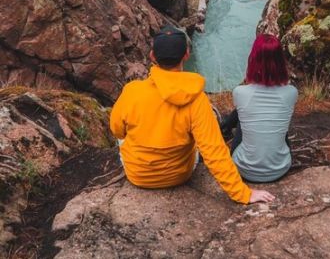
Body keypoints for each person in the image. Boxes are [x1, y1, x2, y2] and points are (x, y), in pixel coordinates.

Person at [110, 25, 274, 205]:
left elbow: (117, 130)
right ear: (186, 54)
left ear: (152, 56)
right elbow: (214, 151)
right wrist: (243, 193)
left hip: (138, 175)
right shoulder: (196, 98)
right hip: (179, 174)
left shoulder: (132, 91)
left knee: (122, 136)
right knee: (198, 138)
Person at [221, 33, 298, 183]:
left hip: (243, 169)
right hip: (280, 168)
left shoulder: (240, 92)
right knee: (278, 123)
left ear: (253, 60)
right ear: (280, 62)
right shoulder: (291, 93)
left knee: (244, 118)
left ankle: (224, 128)